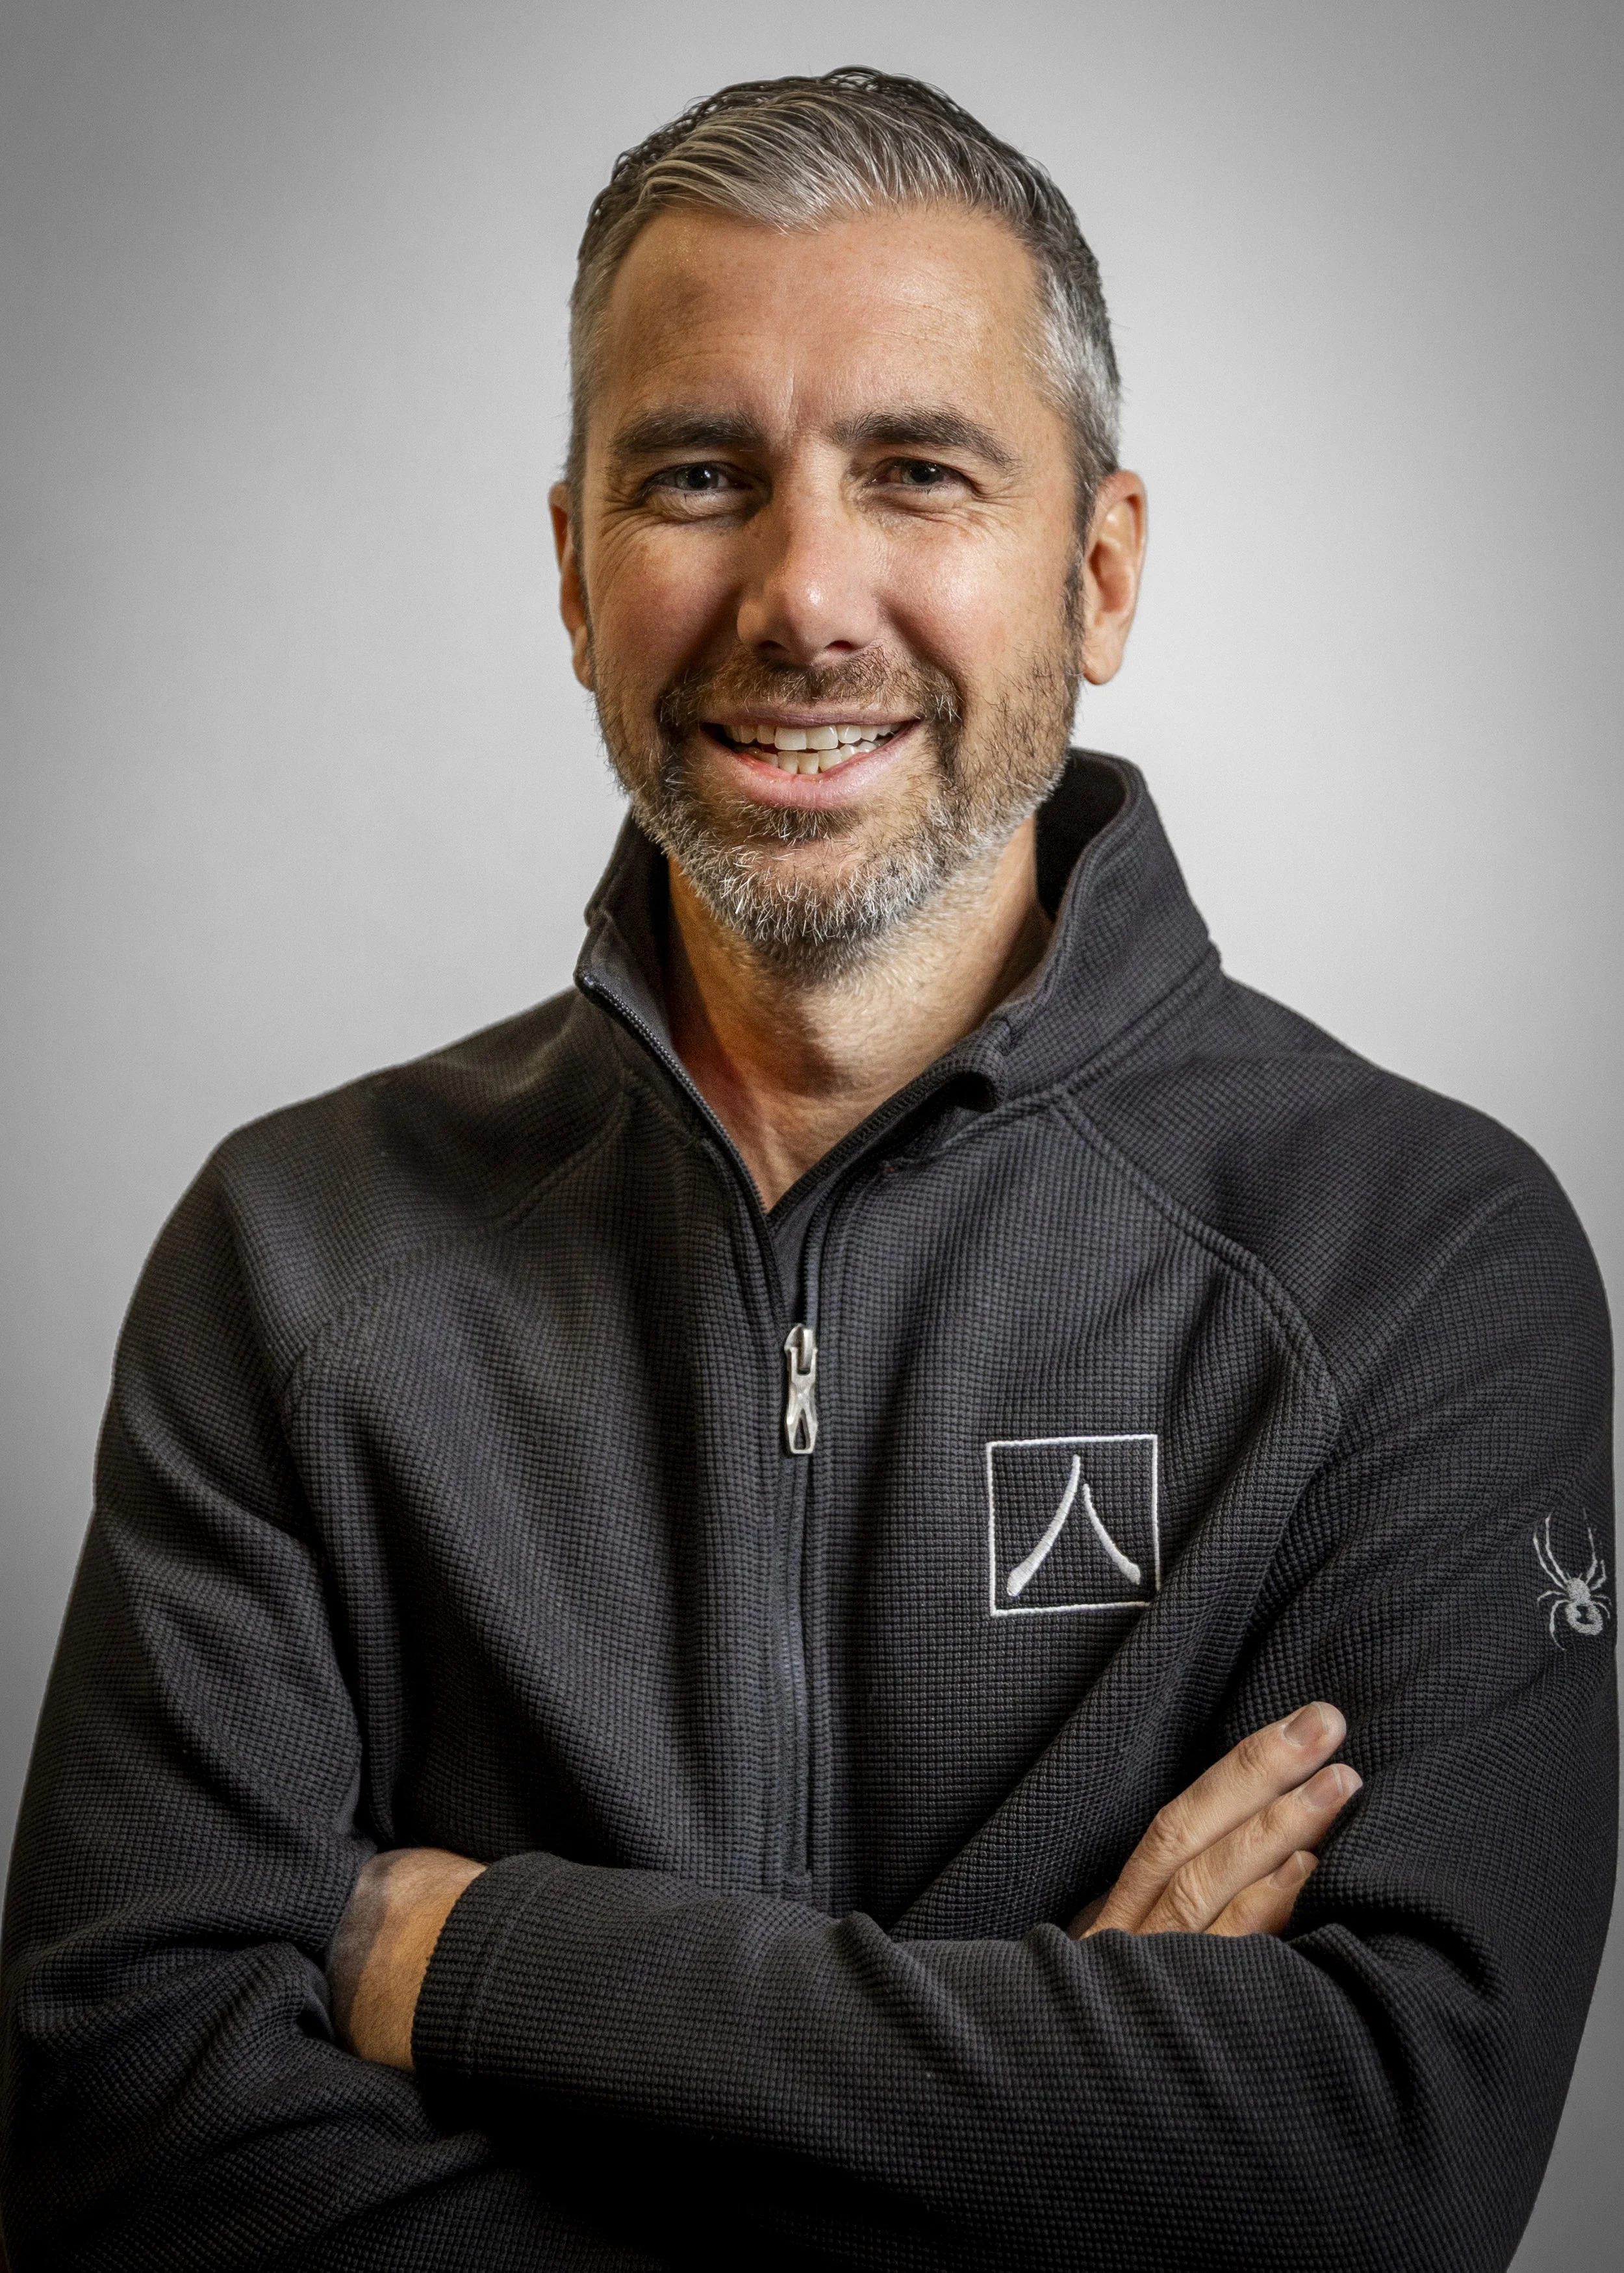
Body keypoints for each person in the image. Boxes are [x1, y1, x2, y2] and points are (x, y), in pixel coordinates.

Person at [0, 66, 1613, 2273]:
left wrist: (474, 1967)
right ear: (574, 571)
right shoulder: (295, 1266)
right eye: (695, 477)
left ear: (1099, 567)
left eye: (918, 474)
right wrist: (1065, 2124)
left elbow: (1377, 2174)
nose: (802, 593)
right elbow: (125, 2157)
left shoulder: (1420, 1265)